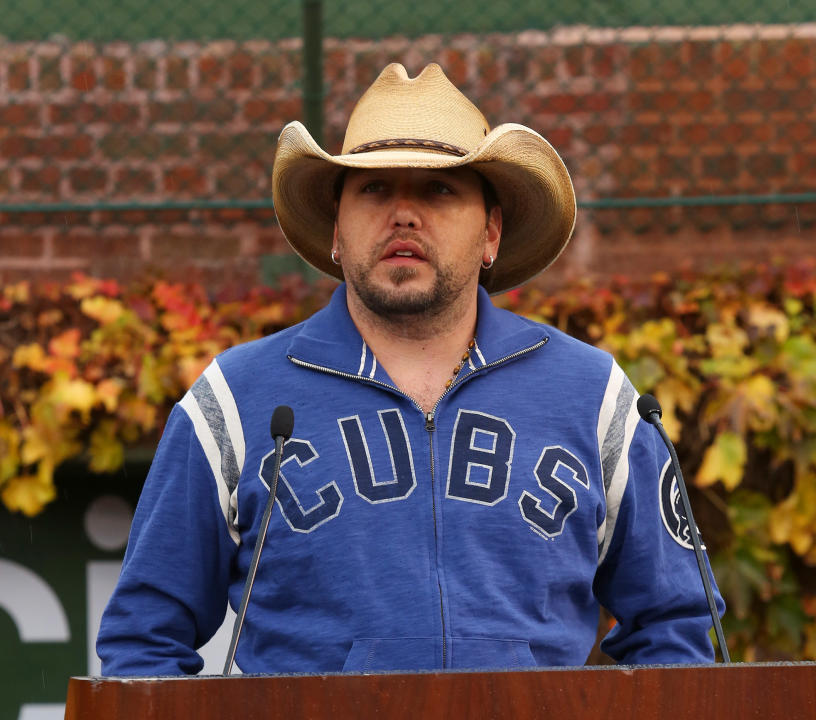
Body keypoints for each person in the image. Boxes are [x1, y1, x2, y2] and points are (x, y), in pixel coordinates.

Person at [97, 63, 723, 676]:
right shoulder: (236, 400)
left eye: (438, 189)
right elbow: (143, 640)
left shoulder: (595, 398)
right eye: (373, 189)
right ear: (336, 230)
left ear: (491, 233)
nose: (403, 214)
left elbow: (678, 627)